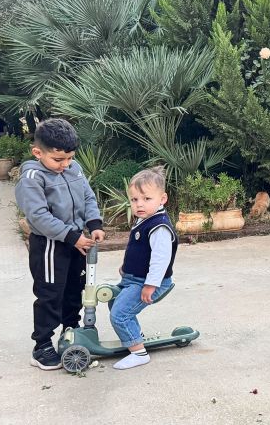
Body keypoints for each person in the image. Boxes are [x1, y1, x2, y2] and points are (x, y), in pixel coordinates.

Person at [15, 119, 105, 370]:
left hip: (75, 241)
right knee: (50, 295)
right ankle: (42, 346)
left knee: (74, 291)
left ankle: (71, 332)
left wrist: (95, 223)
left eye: (69, 158)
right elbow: (38, 216)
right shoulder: (32, 177)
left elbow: (87, 196)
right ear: (38, 152)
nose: (65, 165)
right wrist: (71, 236)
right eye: (58, 160)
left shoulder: (74, 168)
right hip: (50, 246)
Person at [109, 166, 177, 370]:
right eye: (134, 199)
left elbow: (160, 259)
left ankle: (138, 353)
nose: (139, 204)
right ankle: (134, 337)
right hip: (133, 278)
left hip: (149, 282)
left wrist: (151, 285)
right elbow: (139, 250)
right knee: (115, 303)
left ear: (162, 199)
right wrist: (126, 266)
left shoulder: (159, 227)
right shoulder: (144, 220)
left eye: (146, 199)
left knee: (120, 314)